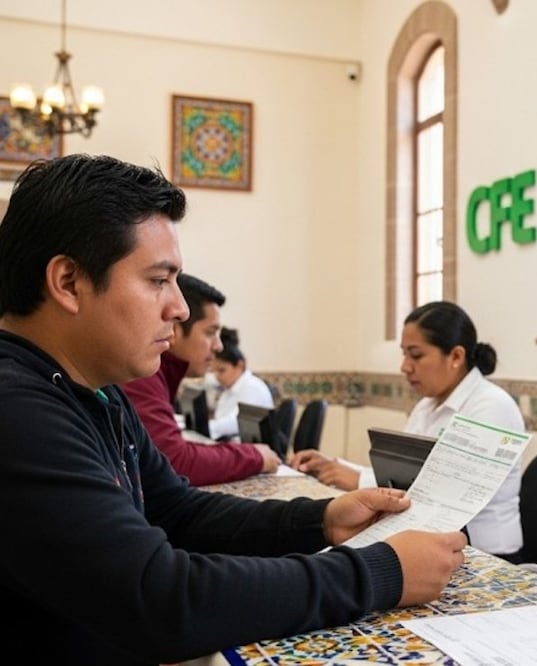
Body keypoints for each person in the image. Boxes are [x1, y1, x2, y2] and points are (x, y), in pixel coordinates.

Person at [0, 154, 467, 665]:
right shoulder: (18, 408)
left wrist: (323, 520)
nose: (178, 308)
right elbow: (163, 600)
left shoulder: (94, 391)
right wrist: (381, 573)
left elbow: (177, 511)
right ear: (68, 282)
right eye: (158, 280)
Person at [292, 300, 526, 560]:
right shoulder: (427, 405)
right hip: (436, 541)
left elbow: (447, 492)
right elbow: (407, 476)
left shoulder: (490, 405)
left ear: (456, 357)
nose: (405, 366)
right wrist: (338, 467)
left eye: (416, 355)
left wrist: (356, 480)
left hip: (487, 553)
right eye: (404, 354)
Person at [121, 272, 280, 485]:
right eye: (210, 333)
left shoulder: (156, 373)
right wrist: (255, 457)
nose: (218, 346)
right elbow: (176, 462)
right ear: (174, 330)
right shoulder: (143, 374)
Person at [207, 326, 275, 441]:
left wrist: (206, 427)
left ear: (239, 365)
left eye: (221, 370)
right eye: (214, 371)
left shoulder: (252, 388)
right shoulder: (229, 389)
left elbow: (236, 422)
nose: (217, 376)